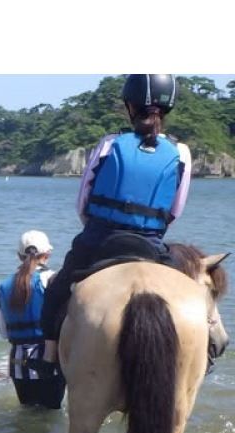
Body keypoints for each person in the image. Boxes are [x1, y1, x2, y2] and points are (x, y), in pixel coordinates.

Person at [37, 74, 192, 370]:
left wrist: (96, 224)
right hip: (150, 243)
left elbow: (83, 201)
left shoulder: (110, 143)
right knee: (192, 291)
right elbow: (175, 210)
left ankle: (48, 358)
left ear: (130, 106)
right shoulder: (181, 152)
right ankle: (205, 351)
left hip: (99, 238)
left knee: (56, 292)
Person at [0, 231, 65, 409]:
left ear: (19, 256)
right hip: (49, 362)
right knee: (50, 417)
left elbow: (4, 332)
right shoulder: (52, 279)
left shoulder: (4, 285)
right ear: (47, 254)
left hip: (18, 364)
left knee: (28, 416)